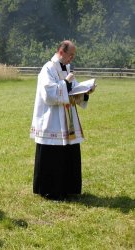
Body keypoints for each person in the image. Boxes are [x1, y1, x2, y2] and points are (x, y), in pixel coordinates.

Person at [30, 40, 95, 201]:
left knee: (68, 152)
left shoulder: (66, 68)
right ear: (61, 52)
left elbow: (74, 89)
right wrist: (65, 82)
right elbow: (49, 94)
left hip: (67, 118)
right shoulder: (48, 68)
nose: (72, 58)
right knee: (53, 155)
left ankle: (67, 188)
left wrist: (86, 91)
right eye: (70, 55)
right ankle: (50, 190)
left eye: (73, 55)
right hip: (52, 119)